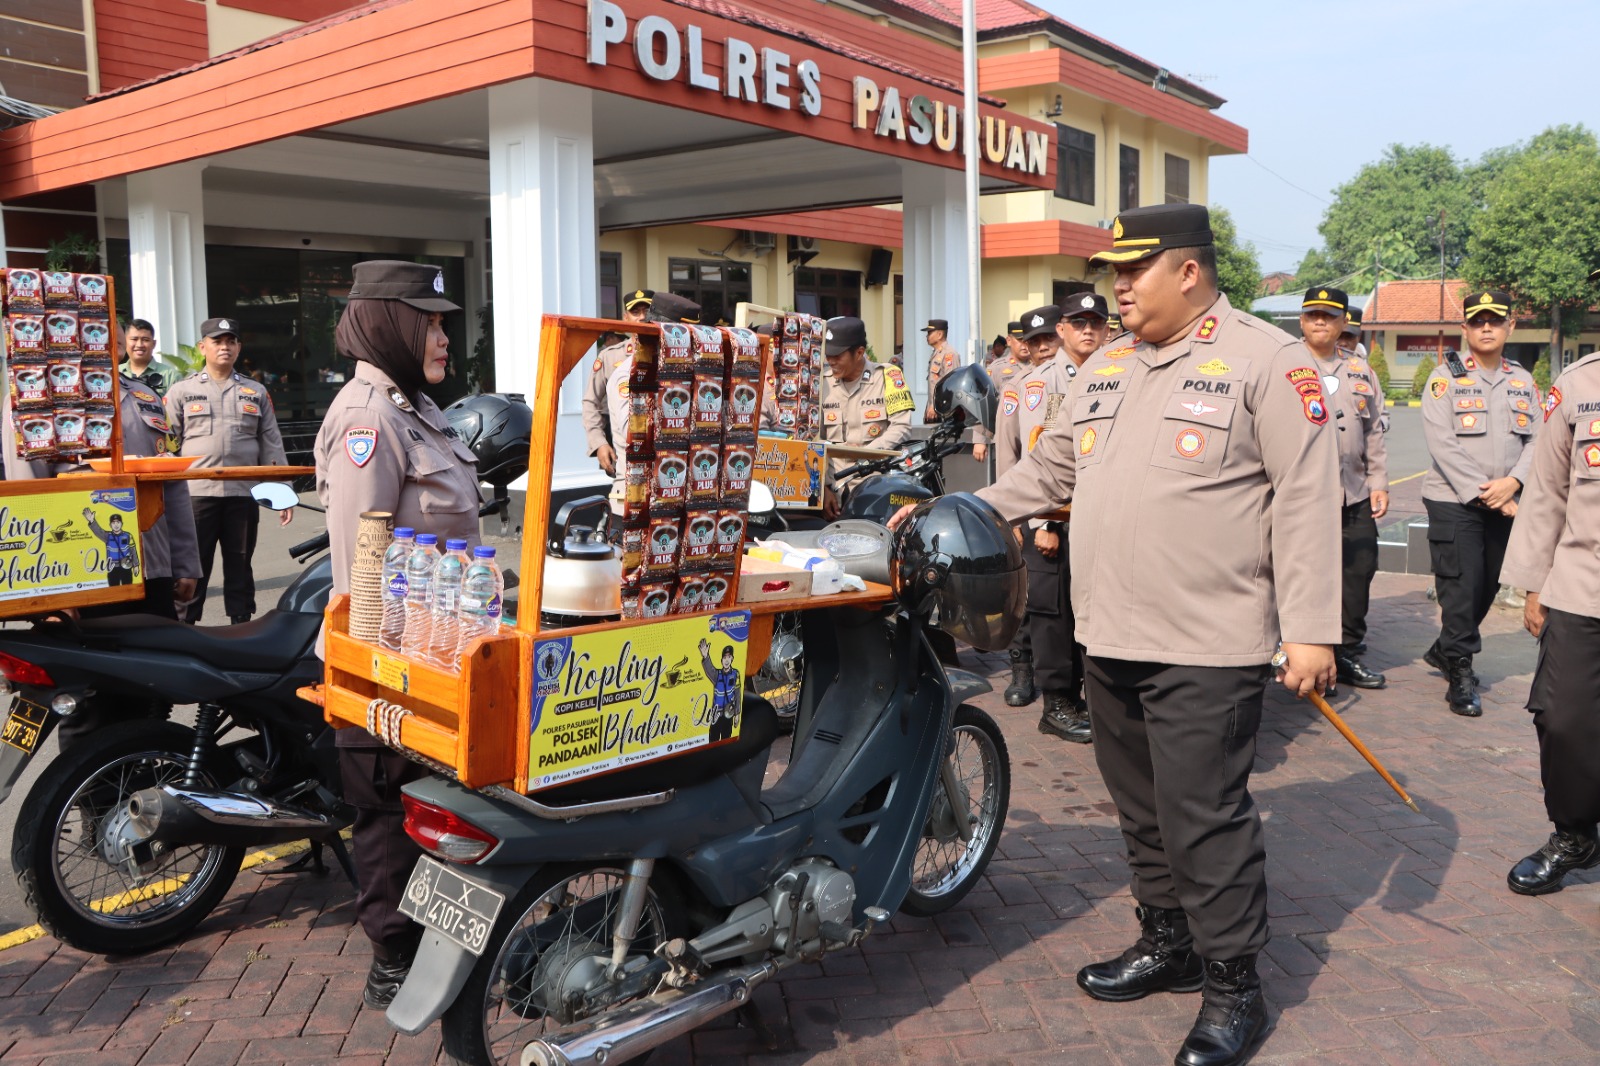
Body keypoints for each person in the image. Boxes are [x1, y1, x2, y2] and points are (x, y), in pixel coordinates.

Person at [895, 204, 1339, 1066]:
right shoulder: (1105, 368)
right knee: (1140, 812)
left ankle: (1232, 988)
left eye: (1136, 271)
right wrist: (960, 508)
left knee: (1204, 818)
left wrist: (1314, 630)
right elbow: (1048, 469)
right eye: (1113, 274)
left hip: (1208, 641)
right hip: (1111, 632)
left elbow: (1306, 496)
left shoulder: (1266, 361)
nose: (1118, 289)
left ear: (1190, 271)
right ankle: (1167, 941)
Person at [314, 260, 482, 1009]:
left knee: (431, 801)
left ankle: (432, 942)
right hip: (387, 656)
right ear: (391, 322)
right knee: (384, 810)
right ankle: (392, 955)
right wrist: (384, 675)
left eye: (443, 321)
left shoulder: (418, 408)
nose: (443, 335)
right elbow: (363, 562)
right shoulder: (368, 418)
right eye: (432, 321)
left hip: (435, 651)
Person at [1498, 285, 1600, 896]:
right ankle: (1574, 833)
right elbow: (1547, 495)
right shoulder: (1581, 386)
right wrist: (1534, 586)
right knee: (1561, 718)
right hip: (1581, 585)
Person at [1419, 288, 1539, 716]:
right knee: (1462, 585)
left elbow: (1537, 440)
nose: (1486, 327)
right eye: (1477, 321)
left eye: (1495, 320)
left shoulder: (1523, 380)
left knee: (1488, 584)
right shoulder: (1444, 377)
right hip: (1454, 500)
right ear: (1465, 328)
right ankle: (1461, 671)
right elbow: (1443, 444)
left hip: (1505, 496)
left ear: (1510, 326)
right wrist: (1492, 495)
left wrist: (1515, 482)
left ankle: (1445, 648)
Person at [993, 301, 1096, 741]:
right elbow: (1036, 459)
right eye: (1078, 324)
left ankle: (1084, 698)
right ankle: (1057, 702)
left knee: (1088, 609)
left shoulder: (1113, 376)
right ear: (1064, 330)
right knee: (1050, 611)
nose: (1088, 331)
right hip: (1051, 517)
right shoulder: (1038, 385)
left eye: (1096, 323)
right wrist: (1043, 524)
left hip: (1095, 517)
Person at [166, 317, 291, 625]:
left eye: (231, 341)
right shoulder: (182, 391)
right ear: (202, 347)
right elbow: (168, 444)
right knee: (194, 566)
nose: (225, 347)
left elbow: (271, 441)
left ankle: (242, 623)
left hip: (242, 492)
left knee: (240, 562)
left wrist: (282, 489)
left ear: (239, 347)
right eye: (217, 341)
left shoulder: (255, 391)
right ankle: (185, 628)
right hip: (196, 493)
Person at [1298, 287, 1388, 690]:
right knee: (1302, 573)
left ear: (1343, 323)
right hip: (1300, 495)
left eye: (1329, 316)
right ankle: (1297, 650)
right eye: (1313, 314)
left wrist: (1379, 481)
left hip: (1353, 490)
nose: (1321, 321)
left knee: (1359, 567)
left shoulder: (1359, 371)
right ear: (1302, 320)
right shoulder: (1282, 364)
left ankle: (1346, 652)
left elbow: (1373, 430)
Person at [601, 293, 700, 521]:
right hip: (638, 501)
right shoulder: (632, 375)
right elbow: (635, 435)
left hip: (677, 499)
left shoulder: (685, 377)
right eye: (684, 338)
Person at [821, 315, 914, 516]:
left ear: (859, 352)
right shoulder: (822, 384)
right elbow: (814, 439)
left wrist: (866, 454)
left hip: (874, 489)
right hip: (833, 492)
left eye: (837, 356)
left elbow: (902, 427)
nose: (831, 361)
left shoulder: (888, 377)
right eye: (828, 355)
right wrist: (823, 487)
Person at [583, 288, 653, 479]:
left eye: (646, 311)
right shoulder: (610, 356)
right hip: (623, 453)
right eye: (635, 312)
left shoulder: (669, 355)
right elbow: (591, 402)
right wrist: (599, 442)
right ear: (625, 318)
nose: (641, 317)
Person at [119, 318, 183, 396]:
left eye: (145, 340)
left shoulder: (170, 376)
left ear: (154, 344)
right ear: (125, 341)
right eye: (134, 339)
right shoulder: (116, 373)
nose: (139, 345)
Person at [921, 318, 961, 423]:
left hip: (943, 412)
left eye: (930, 333)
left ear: (939, 334)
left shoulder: (949, 354)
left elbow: (950, 384)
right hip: (935, 410)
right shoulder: (937, 353)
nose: (927, 336)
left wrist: (935, 406)